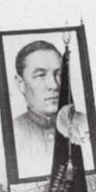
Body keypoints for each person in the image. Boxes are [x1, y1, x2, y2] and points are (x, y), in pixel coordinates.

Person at [12, 40, 88, 177]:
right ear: (20, 84)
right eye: (40, 75)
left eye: (59, 74)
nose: (54, 85)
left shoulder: (84, 123)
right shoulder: (14, 131)